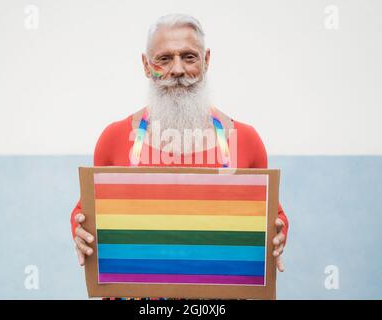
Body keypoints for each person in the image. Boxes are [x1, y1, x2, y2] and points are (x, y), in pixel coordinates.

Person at [70, 13, 289, 298]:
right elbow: (85, 212)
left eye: (189, 57)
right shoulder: (113, 139)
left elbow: (275, 215)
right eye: (164, 59)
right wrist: (80, 233)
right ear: (146, 66)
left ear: (207, 60)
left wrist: (279, 235)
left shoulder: (246, 140)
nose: (177, 70)